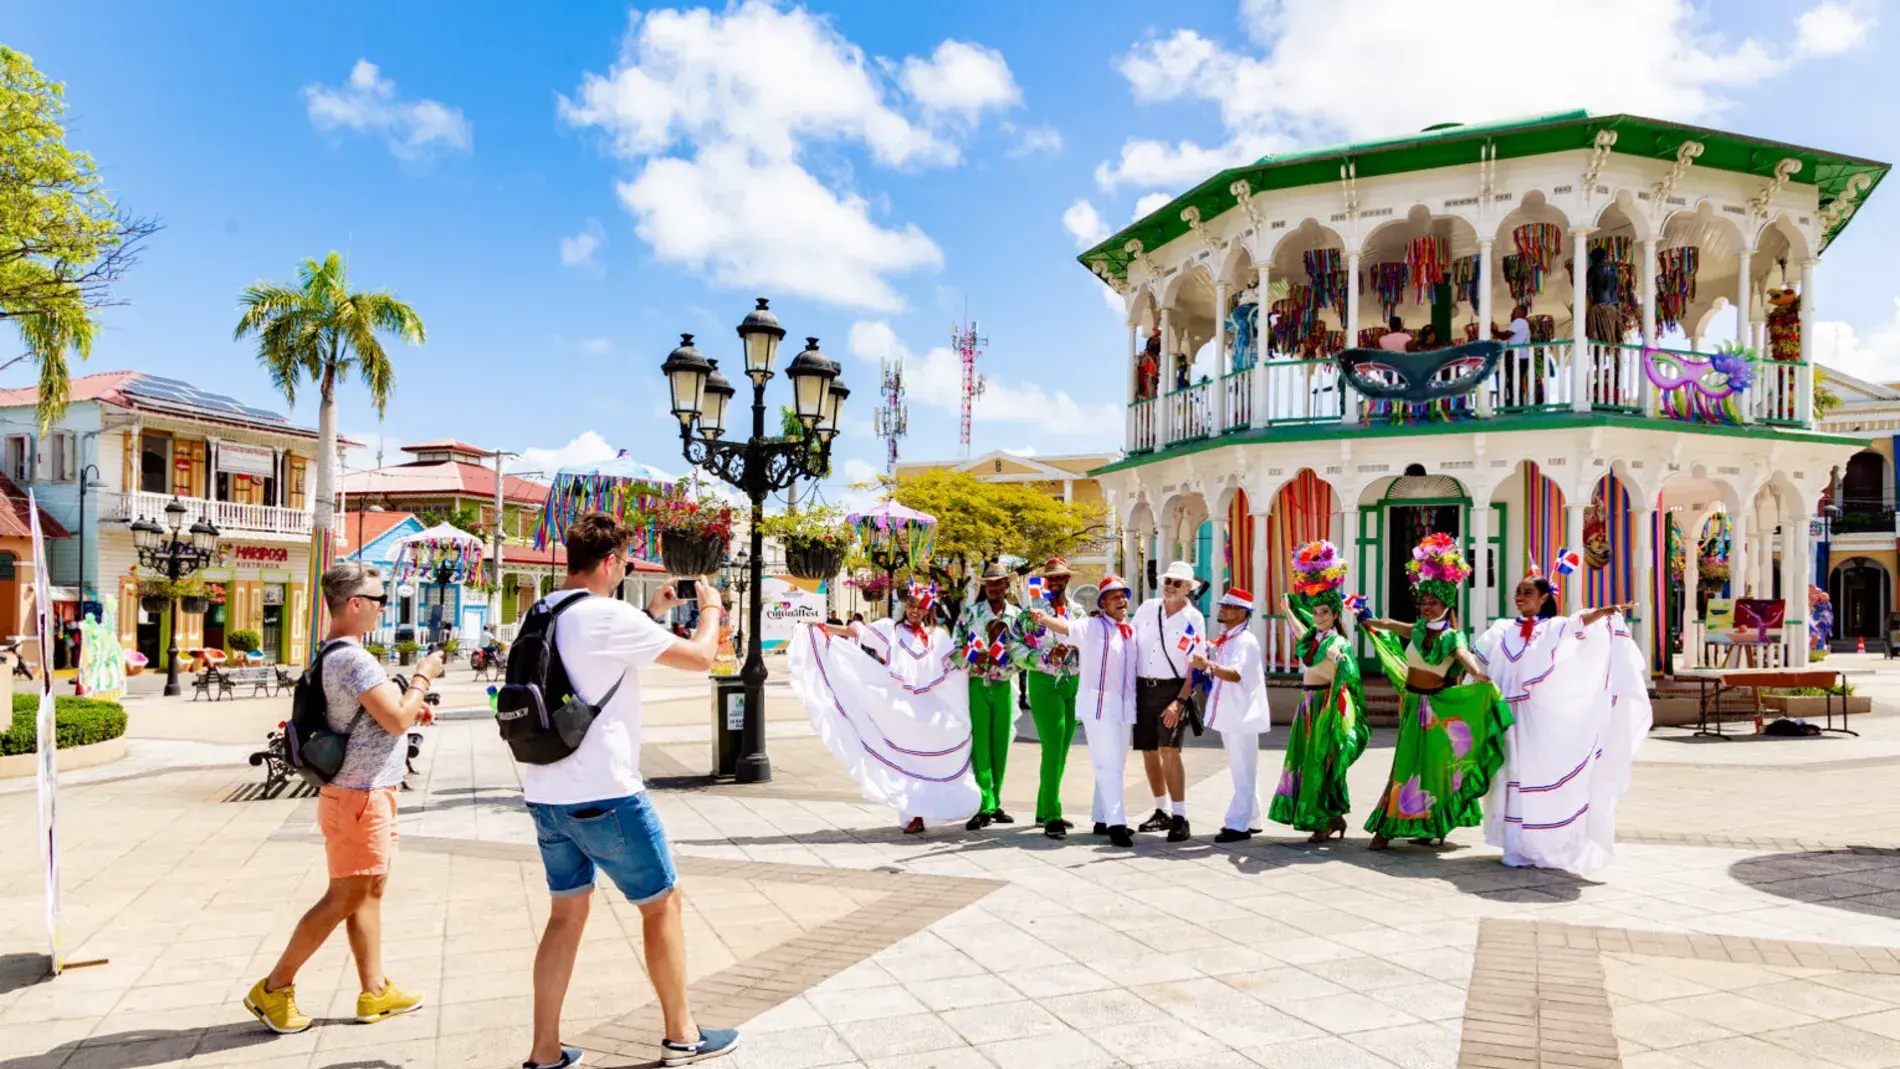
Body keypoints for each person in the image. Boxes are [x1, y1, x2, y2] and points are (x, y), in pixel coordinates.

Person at [509, 514, 738, 1068]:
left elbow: (588, 651)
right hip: (605, 794)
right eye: (625, 563)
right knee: (661, 904)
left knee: (566, 914)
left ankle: (544, 1052)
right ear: (610, 563)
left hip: (545, 793)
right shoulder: (608, 615)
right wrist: (708, 610)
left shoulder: (539, 610)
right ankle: (682, 1034)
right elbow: (702, 658)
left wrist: (653, 613)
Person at [244, 560, 443, 1036]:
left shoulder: (335, 652)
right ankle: (274, 988)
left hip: (363, 792)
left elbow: (383, 716)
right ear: (354, 604)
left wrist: (410, 712)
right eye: (378, 600)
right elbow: (395, 719)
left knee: (367, 892)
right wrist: (423, 677)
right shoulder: (353, 658)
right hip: (360, 796)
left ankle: (374, 992)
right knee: (346, 895)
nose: (383, 608)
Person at [1476, 577, 1649, 876]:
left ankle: (1543, 844)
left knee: (1536, 774)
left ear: (1544, 597)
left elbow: (1577, 622)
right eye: (1517, 592)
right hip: (1506, 716)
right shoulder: (1502, 630)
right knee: (1508, 776)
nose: (1520, 597)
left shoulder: (1552, 628)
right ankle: (1515, 845)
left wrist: (1604, 612)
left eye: (1528, 592)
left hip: (1537, 718)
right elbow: (1476, 658)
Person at [1359, 534, 1512, 852]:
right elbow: (1389, 624)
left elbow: (1463, 656)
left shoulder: (1451, 635)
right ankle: (1392, 827)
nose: (1426, 606)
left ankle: (1428, 824)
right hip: (1412, 705)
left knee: (1437, 767)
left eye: (1433, 602)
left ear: (1446, 604)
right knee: (1405, 765)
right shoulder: (1415, 629)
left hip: (1437, 710)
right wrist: (1367, 620)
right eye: (1423, 601)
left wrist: (1477, 674)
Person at [793, 582, 979, 834]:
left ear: (928, 609)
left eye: (920, 607)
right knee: (908, 760)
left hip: (930, 709)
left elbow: (951, 666)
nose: (914, 611)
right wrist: (823, 628)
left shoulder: (939, 636)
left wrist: (975, 658)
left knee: (937, 757)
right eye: (911, 605)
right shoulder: (889, 630)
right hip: (900, 708)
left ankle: (934, 810)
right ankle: (914, 814)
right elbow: (854, 632)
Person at [1028, 575, 1138, 847]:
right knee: (1107, 764)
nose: (1121, 600)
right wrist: (1043, 618)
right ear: (1103, 603)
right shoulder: (1091, 626)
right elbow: (1065, 627)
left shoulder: (1131, 631)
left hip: (1124, 708)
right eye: (1114, 596)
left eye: (1123, 595)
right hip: (1098, 707)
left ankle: (1102, 817)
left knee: (1118, 765)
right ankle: (1117, 823)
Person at [1271, 542, 1371, 843]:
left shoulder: (1336, 643)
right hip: (1308, 704)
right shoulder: (1317, 638)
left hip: (1325, 708)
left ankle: (1322, 821)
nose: (1317, 616)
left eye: (1324, 611)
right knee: (1308, 762)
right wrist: (1288, 611)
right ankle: (1333, 817)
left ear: (1334, 612)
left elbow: (1345, 666)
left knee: (1319, 764)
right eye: (1315, 611)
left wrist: (1342, 662)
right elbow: (1302, 634)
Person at [1129, 560, 1206, 842]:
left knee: (1169, 750)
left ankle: (1180, 816)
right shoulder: (1148, 608)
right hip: (1142, 688)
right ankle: (1161, 810)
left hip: (1172, 690)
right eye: (1167, 581)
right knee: (1149, 750)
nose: (1169, 586)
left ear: (1188, 588)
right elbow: (1130, 642)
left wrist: (1180, 701)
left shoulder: (1193, 619)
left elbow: (1194, 665)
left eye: (1176, 582)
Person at [1191, 587, 1270, 843]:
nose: (1221, 609)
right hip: (1233, 713)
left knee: (1242, 771)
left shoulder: (1244, 641)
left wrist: (1209, 666)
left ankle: (1237, 825)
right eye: (1222, 605)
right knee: (1246, 770)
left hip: (1241, 714)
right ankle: (1252, 818)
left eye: (1228, 606)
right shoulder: (1229, 638)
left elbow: (1235, 674)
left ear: (1242, 613)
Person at [1012, 558, 1082, 839]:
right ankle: (1053, 814)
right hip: (1044, 683)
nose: (1055, 583)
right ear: (1045, 581)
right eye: (1050, 579)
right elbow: (1014, 648)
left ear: (1067, 580)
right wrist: (1041, 658)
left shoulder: (1078, 612)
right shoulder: (1030, 614)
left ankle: (1043, 808)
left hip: (1073, 682)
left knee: (1063, 750)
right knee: (1052, 748)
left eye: (1060, 578)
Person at [953, 563, 1022, 831]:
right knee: (980, 745)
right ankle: (984, 804)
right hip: (977, 684)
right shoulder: (969, 614)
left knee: (1000, 745)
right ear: (985, 587)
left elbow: (1023, 651)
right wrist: (975, 656)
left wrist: (1003, 658)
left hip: (1003, 684)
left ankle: (996, 798)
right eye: (990, 584)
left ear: (1007, 586)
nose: (994, 588)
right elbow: (955, 650)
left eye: (999, 583)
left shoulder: (1017, 617)